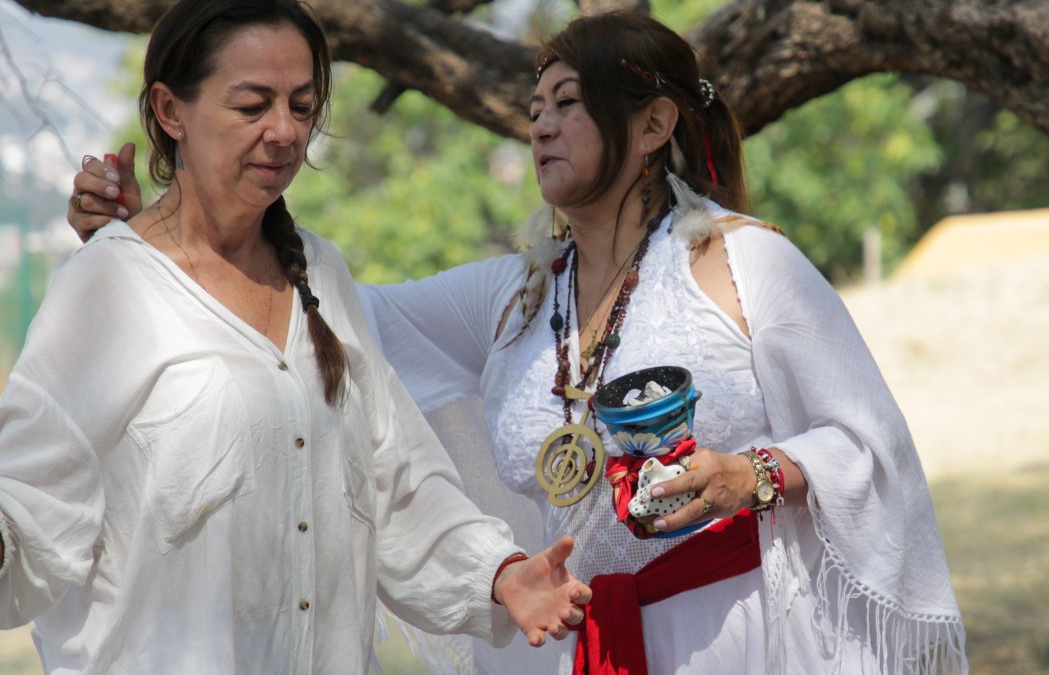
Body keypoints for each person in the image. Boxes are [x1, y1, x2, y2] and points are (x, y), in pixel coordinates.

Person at [66, 10, 967, 674]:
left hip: (730, 634)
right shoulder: (514, 296)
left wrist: (751, 474)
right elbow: (309, 313)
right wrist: (164, 233)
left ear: (653, 126)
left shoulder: (743, 264)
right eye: (534, 105)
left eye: (567, 104)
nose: (539, 124)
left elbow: (869, 442)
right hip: (568, 647)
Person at [0, 2, 595, 673]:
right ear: (170, 110)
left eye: (302, 106)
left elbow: (397, 482)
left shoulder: (321, 273)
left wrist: (499, 577)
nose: (284, 131)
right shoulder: (108, 287)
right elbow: (30, 513)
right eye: (253, 105)